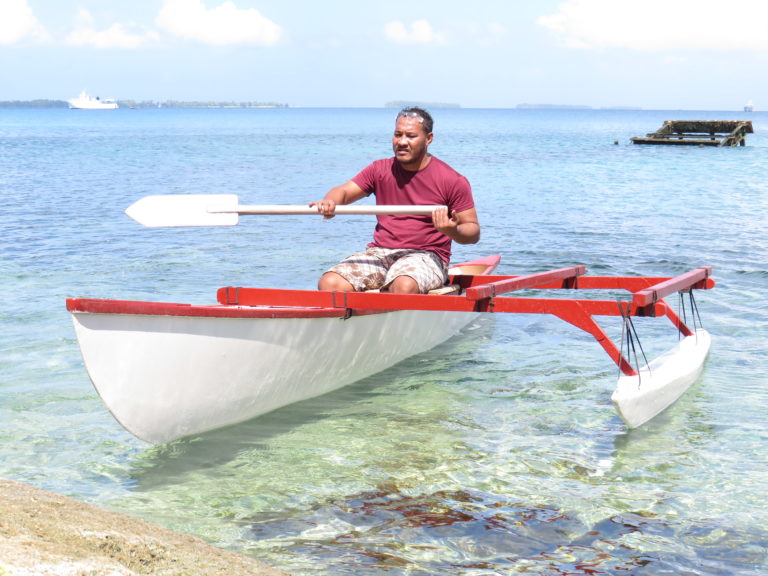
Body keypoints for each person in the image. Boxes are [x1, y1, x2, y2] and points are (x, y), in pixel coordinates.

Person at [310, 107, 480, 294]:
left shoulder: (452, 180)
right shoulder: (379, 169)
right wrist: (330, 202)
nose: (402, 142)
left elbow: (473, 232)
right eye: (398, 135)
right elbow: (343, 191)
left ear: (428, 139)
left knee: (403, 286)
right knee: (330, 283)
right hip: (380, 253)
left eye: (411, 136)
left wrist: (452, 230)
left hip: (426, 256)